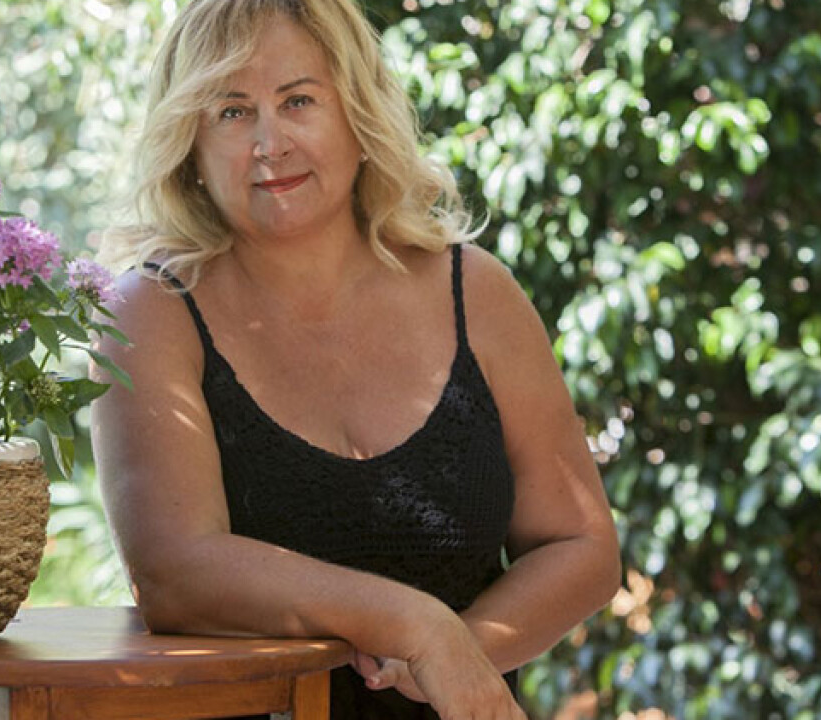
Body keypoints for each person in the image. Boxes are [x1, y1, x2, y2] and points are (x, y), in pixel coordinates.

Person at [90, 0, 621, 717]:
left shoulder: (477, 292)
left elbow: (580, 542)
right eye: (231, 112)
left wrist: (455, 656)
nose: (270, 144)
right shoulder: (148, 314)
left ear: (357, 112)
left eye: (298, 100)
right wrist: (414, 624)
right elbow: (173, 573)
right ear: (190, 142)